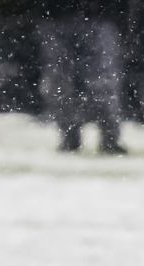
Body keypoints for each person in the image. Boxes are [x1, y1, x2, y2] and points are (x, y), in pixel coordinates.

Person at [37, 0, 128, 154]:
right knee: (63, 82)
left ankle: (107, 137)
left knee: (101, 82)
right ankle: (72, 136)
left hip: (95, 16)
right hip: (61, 16)